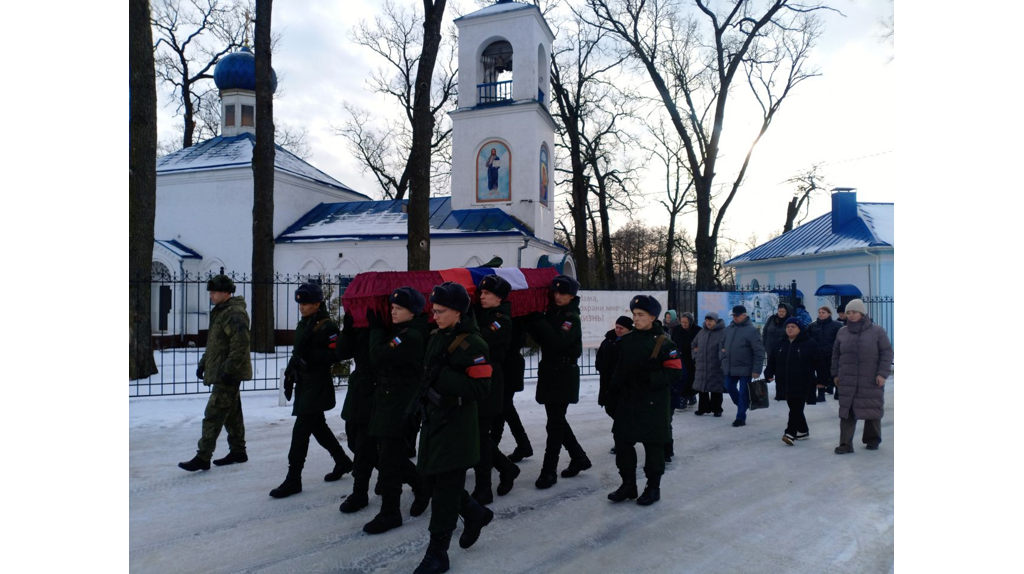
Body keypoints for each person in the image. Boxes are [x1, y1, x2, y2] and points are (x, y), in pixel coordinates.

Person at [412, 282, 494, 574]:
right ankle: (475, 513)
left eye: (441, 311)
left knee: (445, 490)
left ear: (458, 312)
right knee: (432, 481)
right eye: (433, 310)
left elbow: (482, 388)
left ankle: (438, 553)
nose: (434, 316)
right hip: (435, 420)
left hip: (457, 426)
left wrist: (445, 378)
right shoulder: (439, 335)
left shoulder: (472, 344)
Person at [269, 281, 354, 498]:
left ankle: (293, 478)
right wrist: (289, 374)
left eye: (306, 304)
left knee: (301, 430)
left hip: (317, 383)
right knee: (318, 427)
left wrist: (314, 356)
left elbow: (338, 354)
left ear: (317, 304)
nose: (302, 307)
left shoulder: (327, 327)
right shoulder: (305, 323)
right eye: (300, 303)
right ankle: (342, 461)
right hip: (304, 382)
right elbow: (298, 353)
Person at [361, 287, 432, 533]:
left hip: (399, 404)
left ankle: (390, 513)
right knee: (389, 456)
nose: (392, 311)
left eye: (398, 308)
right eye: (391, 307)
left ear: (412, 312)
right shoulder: (402, 331)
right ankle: (421, 485)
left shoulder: (410, 336)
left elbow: (378, 356)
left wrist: (376, 330)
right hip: (389, 402)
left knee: (389, 460)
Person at [607, 295, 681, 506]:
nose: (636, 319)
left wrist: (649, 378)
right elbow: (619, 369)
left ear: (652, 317)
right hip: (628, 401)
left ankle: (653, 487)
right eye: (634, 315)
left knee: (653, 447)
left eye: (640, 315)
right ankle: (628, 485)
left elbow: (675, 374)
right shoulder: (627, 340)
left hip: (653, 404)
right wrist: (611, 392)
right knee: (622, 442)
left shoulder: (665, 343)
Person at [179, 275, 252, 471]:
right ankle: (238, 451)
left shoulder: (234, 313)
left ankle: (203, 456)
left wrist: (229, 371)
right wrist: (204, 363)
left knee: (213, 413)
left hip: (228, 373)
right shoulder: (220, 312)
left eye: (213, 292)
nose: (210, 296)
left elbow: (240, 344)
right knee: (232, 414)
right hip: (222, 370)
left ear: (226, 293)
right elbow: (216, 343)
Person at [524, 275, 590, 489]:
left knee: (554, 425)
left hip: (563, 373)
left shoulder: (571, 318)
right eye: (555, 292)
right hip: (551, 371)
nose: (557, 295)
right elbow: (543, 338)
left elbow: (557, 341)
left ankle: (548, 471)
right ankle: (579, 457)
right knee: (557, 420)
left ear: (572, 295)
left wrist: (540, 320)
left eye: (562, 293)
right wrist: (531, 317)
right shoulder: (555, 313)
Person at [471, 275, 521, 504]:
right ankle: (506, 467)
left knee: (480, 435)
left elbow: (478, 340)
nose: (482, 297)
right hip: (477, 379)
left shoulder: (501, 320)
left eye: (487, 294)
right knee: (478, 435)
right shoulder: (482, 313)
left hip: (491, 380)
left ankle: (484, 488)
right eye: (480, 293)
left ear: (499, 297)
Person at [831, 299, 893, 454]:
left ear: (862, 313)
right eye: (849, 313)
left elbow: (887, 353)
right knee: (847, 411)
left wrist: (882, 374)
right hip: (848, 379)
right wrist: (835, 374)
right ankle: (845, 444)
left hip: (871, 378)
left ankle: (872, 440)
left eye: (855, 312)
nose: (851, 315)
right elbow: (836, 355)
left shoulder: (877, 331)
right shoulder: (842, 332)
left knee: (871, 409)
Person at [336, 307, 380, 514]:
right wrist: (348, 328)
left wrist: (376, 329)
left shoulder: (386, 323)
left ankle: (359, 493)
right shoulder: (361, 324)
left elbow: (378, 356)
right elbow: (342, 353)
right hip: (358, 388)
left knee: (364, 446)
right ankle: (412, 477)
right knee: (354, 441)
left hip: (377, 389)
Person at [764, 318, 825, 445]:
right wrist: (768, 373)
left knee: (796, 407)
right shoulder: (781, 343)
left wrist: (822, 379)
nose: (790, 329)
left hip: (803, 381)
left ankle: (790, 433)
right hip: (785, 381)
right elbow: (773, 360)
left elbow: (819, 363)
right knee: (794, 406)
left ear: (800, 329)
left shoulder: (809, 343)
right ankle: (803, 430)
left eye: (793, 326)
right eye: (788, 327)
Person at [492, 316, 534, 463]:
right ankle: (523, 445)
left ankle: (491, 454)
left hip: (508, 368)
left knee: (500, 412)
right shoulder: (510, 315)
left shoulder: (510, 317)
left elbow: (514, 341)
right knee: (507, 409)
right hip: (506, 367)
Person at [720, 305, 765, 428]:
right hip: (730, 366)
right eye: (733, 315)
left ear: (744, 315)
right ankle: (743, 405)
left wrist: (757, 369)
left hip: (746, 368)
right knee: (729, 386)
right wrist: (723, 358)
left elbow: (759, 351)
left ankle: (740, 417)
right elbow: (721, 345)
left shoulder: (752, 331)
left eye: (737, 315)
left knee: (744, 393)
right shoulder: (728, 329)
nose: (735, 317)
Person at [596, 316, 633, 454]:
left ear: (628, 329)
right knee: (610, 409)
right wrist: (600, 365)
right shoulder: (609, 339)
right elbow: (600, 354)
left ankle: (622, 443)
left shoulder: (630, 342)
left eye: (621, 328)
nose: (618, 330)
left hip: (621, 384)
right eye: (617, 327)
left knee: (620, 416)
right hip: (606, 381)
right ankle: (626, 437)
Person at [691, 312, 726, 417]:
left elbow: (725, 347)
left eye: (710, 321)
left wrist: (722, 358)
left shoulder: (723, 332)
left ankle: (717, 409)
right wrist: (695, 355)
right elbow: (693, 344)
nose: (708, 323)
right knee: (702, 388)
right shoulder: (702, 332)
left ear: (716, 321)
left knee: (716, 388)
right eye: (706, 321)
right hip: (702, 365)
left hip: (715, 365)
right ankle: (703, 408)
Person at [807, 306, 842, 402]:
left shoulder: (837, 326)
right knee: (820, 374)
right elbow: (807, 339)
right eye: (819, 312)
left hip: (832, 354)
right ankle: (821, 394)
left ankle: (838, 392)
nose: (821, 314)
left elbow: (841, 340)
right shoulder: (812, 326)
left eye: (823, 312)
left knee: (835, 373)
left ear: (829, 314)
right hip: (818, 355)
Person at [762, 302, 794, 400]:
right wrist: (764, 344)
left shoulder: (790, 320)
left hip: (784, 349)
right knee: (774, 369)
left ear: (787, 311)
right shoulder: (772, 319)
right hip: (771, 348)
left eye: (783, 311)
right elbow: (765, 331)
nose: (780, 313)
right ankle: (780, 392)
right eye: (779, 311)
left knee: (783, 371)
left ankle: (785, 392)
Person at [676, 312, 701, 407]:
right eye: (682, 322)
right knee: (681, 378)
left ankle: (690, 395)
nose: (683, 324)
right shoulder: (677, 329)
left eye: (685, 322)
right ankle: (684, 396)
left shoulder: (697, 330)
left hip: (692, 358)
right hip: (679, 357)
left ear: (690, 322)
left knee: (691, 378)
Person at [664, 310, 687, 411]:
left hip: (677, 354)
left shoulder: (677, 328)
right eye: (667, 317)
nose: (668, 319)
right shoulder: (663, 327)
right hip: (668, 354)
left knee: (681, 376)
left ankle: (684, 396)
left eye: (670, 317)